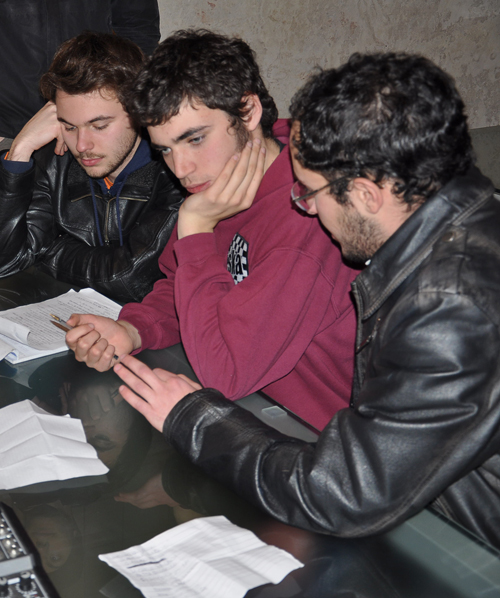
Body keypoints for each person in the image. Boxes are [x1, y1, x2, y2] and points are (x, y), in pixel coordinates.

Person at [111, 52, 500, 548]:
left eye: (312, 193)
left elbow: (341, 492)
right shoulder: (462, 224)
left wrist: (192, 417)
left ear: (367, 195)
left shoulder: (448, 309)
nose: (307, 208)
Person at [66, 30, 358, 430]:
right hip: (259, 411)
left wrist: (196, 228)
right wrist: (133, 329)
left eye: (196, 139)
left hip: (320, 435)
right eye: (165, 149)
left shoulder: (309, 215)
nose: (181, 169)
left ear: (248, 112)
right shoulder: (224, 183)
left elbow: (226, 374)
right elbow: (182, 286)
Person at [0, 32, 184, 305]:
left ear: (139, 112)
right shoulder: (55, 160)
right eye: (69, 127)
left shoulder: (177, 170)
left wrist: (48, 251)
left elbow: (131, 279)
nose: (82, 145)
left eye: (99, 126)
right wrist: (20, 151)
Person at [0, 0, 160, 195]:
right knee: (7, 240)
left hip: (97, 127)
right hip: (5, 134)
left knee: (113, 238)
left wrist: (119, 113)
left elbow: (139, 29)